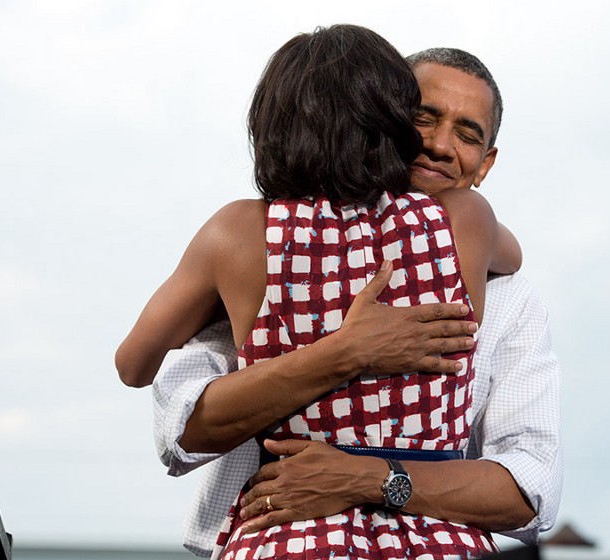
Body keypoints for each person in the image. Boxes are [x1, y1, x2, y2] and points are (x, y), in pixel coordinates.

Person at [117, 25, 523, 559]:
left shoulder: (238, 234)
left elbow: (133, 364)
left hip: (288, 532)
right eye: (421, 119)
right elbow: (513, 258)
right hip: (436, 538)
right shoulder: (465, 218)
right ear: (392, 126)